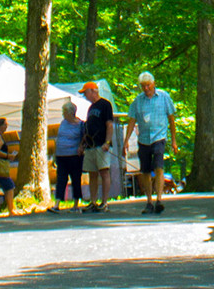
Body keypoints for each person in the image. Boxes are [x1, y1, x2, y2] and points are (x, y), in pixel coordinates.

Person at [123, 71, 177, 214]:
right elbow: (132, 121)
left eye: (148, 85)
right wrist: (126, 140)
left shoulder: (164, 97)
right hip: (144, 139)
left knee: (158, 167)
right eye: (143, 86)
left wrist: (174, 140)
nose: (146, 88)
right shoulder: (138, 101)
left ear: (153, 84)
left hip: (159, 138)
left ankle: (159, 199)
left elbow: (171, 119)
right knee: (145, 171)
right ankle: (149, 202)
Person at [80, 82, 115, 213]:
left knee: (104, 172)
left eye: (85, 93)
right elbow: (88, 128)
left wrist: (107, 142)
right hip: (90, 146)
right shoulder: (90, 108)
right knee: (92, 173)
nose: (85, 96)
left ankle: (104, 202)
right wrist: (82, 145)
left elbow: (109, 124)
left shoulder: (105, 104)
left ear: (93, 91)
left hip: (102, 145)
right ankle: (93, 202)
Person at [53, 101, 84, 212]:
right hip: (61, 155)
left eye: (64, 112)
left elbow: (84, 138)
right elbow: (58, 138)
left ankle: (76, 204)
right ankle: (57, 204)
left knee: (75, 179)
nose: (63, 114)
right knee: (61, 179)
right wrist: (54, 155)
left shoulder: (80, 125)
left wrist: (81, 147)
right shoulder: (63, 123)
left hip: (74, 156)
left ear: (71, 113)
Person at [0, 117, 17, 208]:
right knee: (9, 186)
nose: (7, 126)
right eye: (5, 124)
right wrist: (8, 156)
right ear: (0, 126)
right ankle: (11, 208)